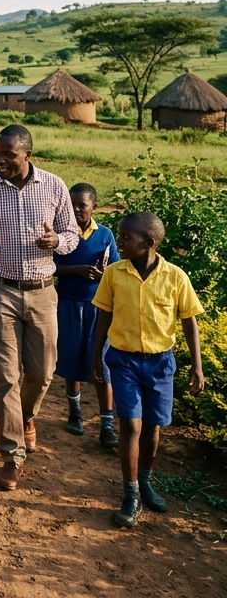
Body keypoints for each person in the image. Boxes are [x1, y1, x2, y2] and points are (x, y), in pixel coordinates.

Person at [0, 124, 78, 491]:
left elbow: (72, 236)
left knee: (43, 372)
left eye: (8, 154)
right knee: (5, 377)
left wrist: (56, 239)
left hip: (43, 291)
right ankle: (13, 455)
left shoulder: (55, 186)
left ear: (27, 153)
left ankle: (26, 416)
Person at [92, 212, 204, 527]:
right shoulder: (114, 273)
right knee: (130, 424)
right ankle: (130, 493)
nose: (120, 242)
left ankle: (144, 481)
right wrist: (95, 356)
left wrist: (197, 366)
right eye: (119, 235)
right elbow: (104, 316)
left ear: (149, 243)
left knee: (154, 426)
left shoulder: (176, 276)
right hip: (122, 359)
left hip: (160, 363)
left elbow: (189, 321)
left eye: (127, 237)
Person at [54, 183, 119, 446]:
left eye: (82, 205)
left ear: (95, 207)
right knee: (71, 359)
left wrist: (103, 275)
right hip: (68, 302)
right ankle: (75, 413)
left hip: (98, 307)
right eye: (72, 204)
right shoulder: (61, 233)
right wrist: (76, 270)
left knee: (102, 363)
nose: (77, 209)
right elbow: (49, 267)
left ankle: (107, 423)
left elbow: (114, 268)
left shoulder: (104, 235)